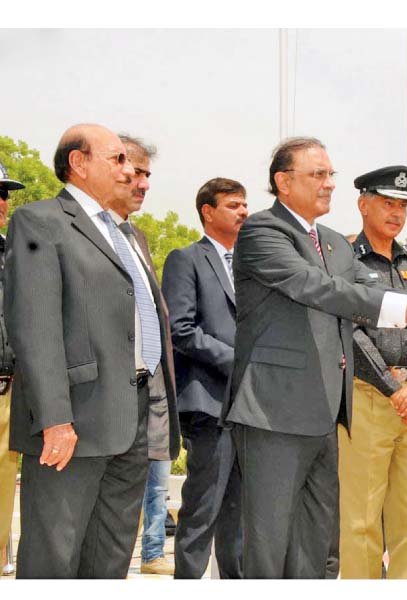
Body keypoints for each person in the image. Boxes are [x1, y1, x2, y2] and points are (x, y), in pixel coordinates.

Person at [220, 137, 407, 578]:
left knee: (315, 542)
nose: (328, 184)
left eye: (330, 175)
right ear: (283, 182)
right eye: (317, 174)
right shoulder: (264, 231)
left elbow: (378, 291)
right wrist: (405, 309)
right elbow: (317, 288)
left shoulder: (335, 243)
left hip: (326, 411)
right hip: (273, 411)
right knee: (269, 540)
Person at [4, 124, 180, 578]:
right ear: (78, 163)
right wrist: (55, 420)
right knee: (54, 556)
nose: (129, 170)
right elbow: (35, 326)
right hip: (72, 425)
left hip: (132, 419)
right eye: (117, 159)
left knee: (111, 557)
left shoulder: (130, 236)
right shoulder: (40, 221)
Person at [338, 165, 407, 579]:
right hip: (368, 397)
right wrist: (391, 387)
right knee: (361, 519)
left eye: (403, 204)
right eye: (387, 202)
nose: (397, 212)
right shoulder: (345, 262)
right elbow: (347, 328)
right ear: (363, 204)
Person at [162, 178, 247, 579]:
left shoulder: (253, 266)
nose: (243, 212)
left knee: (240, 518)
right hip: (210, 404)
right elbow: (180, 329)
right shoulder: (186, 259)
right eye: (233, 205)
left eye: (245, 205)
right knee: (202, 511)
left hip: (250, 407)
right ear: (208, 212)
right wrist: (236, 359)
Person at [105, 134, 177, 576]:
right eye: (134, 170)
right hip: (103, 398)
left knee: (149, 486)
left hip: (149, 388)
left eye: (148, 173)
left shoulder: (137, 236)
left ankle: (151, 551)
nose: (143, 182)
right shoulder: (63, 227)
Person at [0, 161, 23, 572]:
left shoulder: (14, 251)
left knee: (4, 481)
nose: (2, 202)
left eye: (4, 193)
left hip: (8, 386)